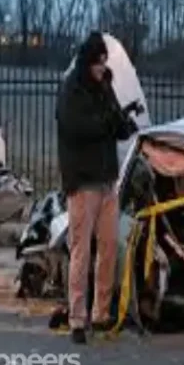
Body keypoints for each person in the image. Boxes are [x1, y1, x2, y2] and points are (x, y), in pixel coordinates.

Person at [56, 32, 139, 344]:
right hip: (82, 180)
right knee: (81, 249)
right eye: (98, 63)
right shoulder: (71, 92)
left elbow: (113, 125)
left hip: (106, 179)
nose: (103, 68)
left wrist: (124, 121)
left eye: (105, 62)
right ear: (87, 62)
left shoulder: (105, 87)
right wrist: (108, 121)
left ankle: (100, 312)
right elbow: (79, 129)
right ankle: (77, 318)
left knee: (107, 247)